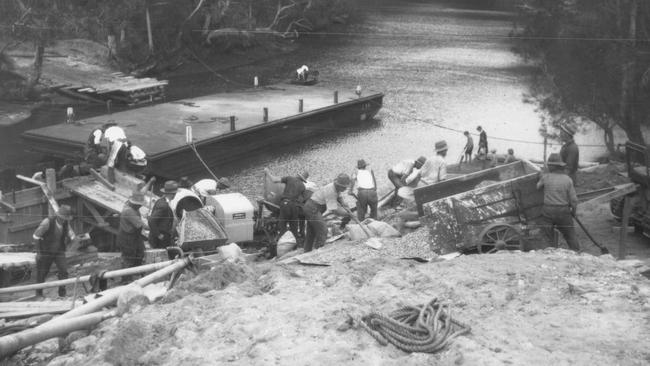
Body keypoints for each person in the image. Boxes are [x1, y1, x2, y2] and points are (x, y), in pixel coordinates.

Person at [536, 153, 579, 251]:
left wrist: (541, 176)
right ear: (560, 166)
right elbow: (574, 200)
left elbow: (537, 187)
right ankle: (576, 252)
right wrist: (573, 211)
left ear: (551, 166)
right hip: (563, 211)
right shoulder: (567, 179)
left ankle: (550, 252)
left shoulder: (546, 177)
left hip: (548, 211)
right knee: (570, 235)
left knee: (548, 237)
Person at [302, 173, 351, 252]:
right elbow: (334, 210)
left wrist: (344, 204)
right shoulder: (331, 191)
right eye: (344, 187)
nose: (345, 189)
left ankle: (307, 251)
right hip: (312, 208)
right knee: (323, 230)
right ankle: (317, 251)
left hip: (311, 207)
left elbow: (339, 197)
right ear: (339, 185)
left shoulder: (336, 188)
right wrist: (347, 213)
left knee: (311, 232)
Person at [32, 205, 73, 297]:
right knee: (42, 273)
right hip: (46, 251)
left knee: (64, 271)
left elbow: (71, 235)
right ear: (58, 216)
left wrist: (71, 240)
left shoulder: (66, 224)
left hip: (59, 251)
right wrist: (38, 253)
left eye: (66, 218)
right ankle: (39, 294)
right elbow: (35, 237)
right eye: (63, 218)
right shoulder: (47, 222)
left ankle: (62, 293)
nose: (64, 220)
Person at [265, 168, 309, 244]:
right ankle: (295, 245)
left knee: (282, 226)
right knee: (294, 228)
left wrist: (267, 173)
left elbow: (274, 180)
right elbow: (304, 199)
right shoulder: (303, 186)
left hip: (285, 204)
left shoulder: (289, 178)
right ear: (303, 179)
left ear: (298, 176)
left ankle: (282, 244)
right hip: (294, 207)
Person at [118, 190, 148, 282]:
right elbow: (143, 226)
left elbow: (142, 191)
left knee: (140, 252)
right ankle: (126, 280)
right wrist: (153, 224)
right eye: (139, 204)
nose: (140, 206)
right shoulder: (129, 211)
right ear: (134, 203)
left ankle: (136, 272)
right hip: (127, 237)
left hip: (135, 235)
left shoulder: (132, 206)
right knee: (128, 257)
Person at [148, 181, 178, 249]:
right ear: (173, 194)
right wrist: (159, 235)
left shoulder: (161, 201)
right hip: (159, 240)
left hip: (162, 236)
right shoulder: (163, 205)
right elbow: (151, 221)